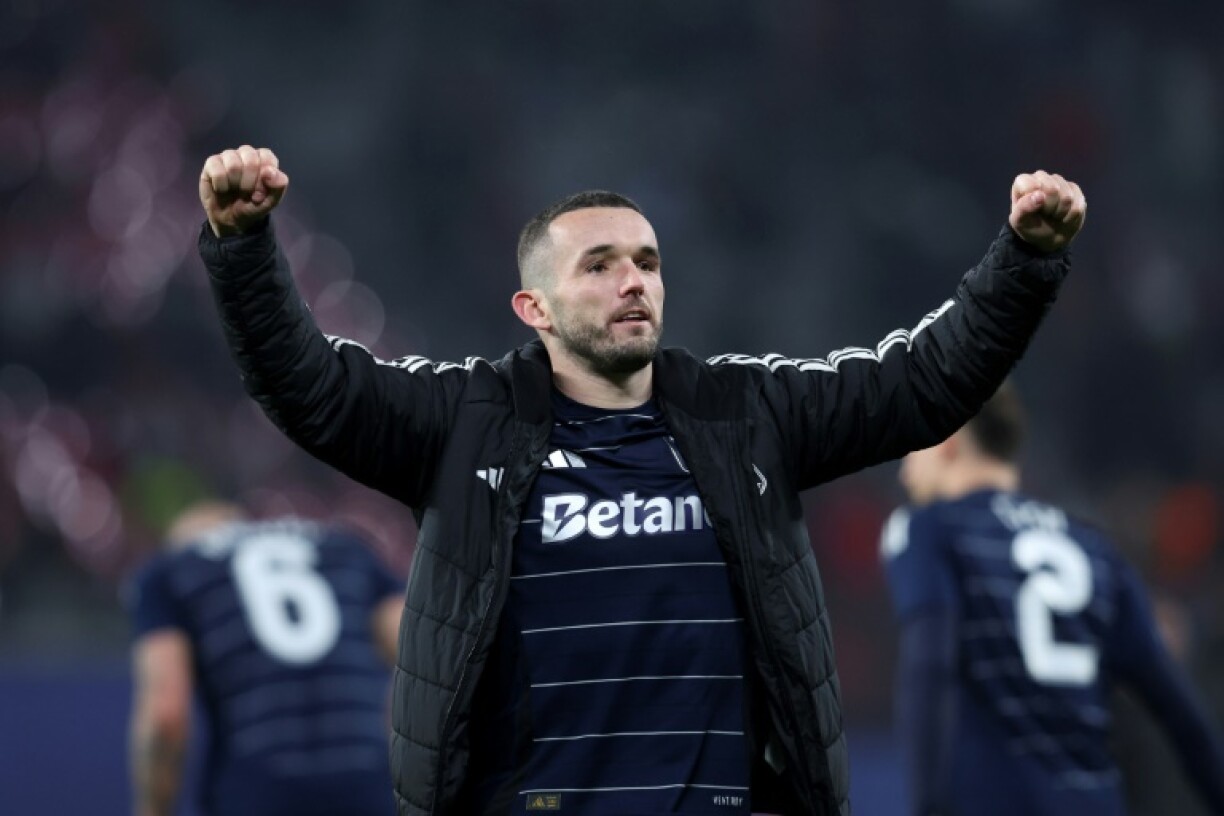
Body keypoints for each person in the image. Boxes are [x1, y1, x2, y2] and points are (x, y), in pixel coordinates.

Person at [196, 143, 1085, 816]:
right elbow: (312, 388)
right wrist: (242, 250)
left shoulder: (745, 412)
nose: (634, 282)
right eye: (601, 265)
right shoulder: (464, 421)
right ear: (533, 308)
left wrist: (1024, 261)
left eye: (648, 262)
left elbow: (917, 385)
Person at [879, 384, 1224, 816]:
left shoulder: (930, 529)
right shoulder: (1094, 550)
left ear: (948, 442)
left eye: (911, 447)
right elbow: (1180, 713)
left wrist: (926, 805)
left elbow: (929, 666)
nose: (904, 471)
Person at [125, 501, 405, 816]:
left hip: (254, 790)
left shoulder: (171, 572)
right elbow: (423, 659)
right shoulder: (348, 550)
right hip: (369, 789)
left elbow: (166, 715)